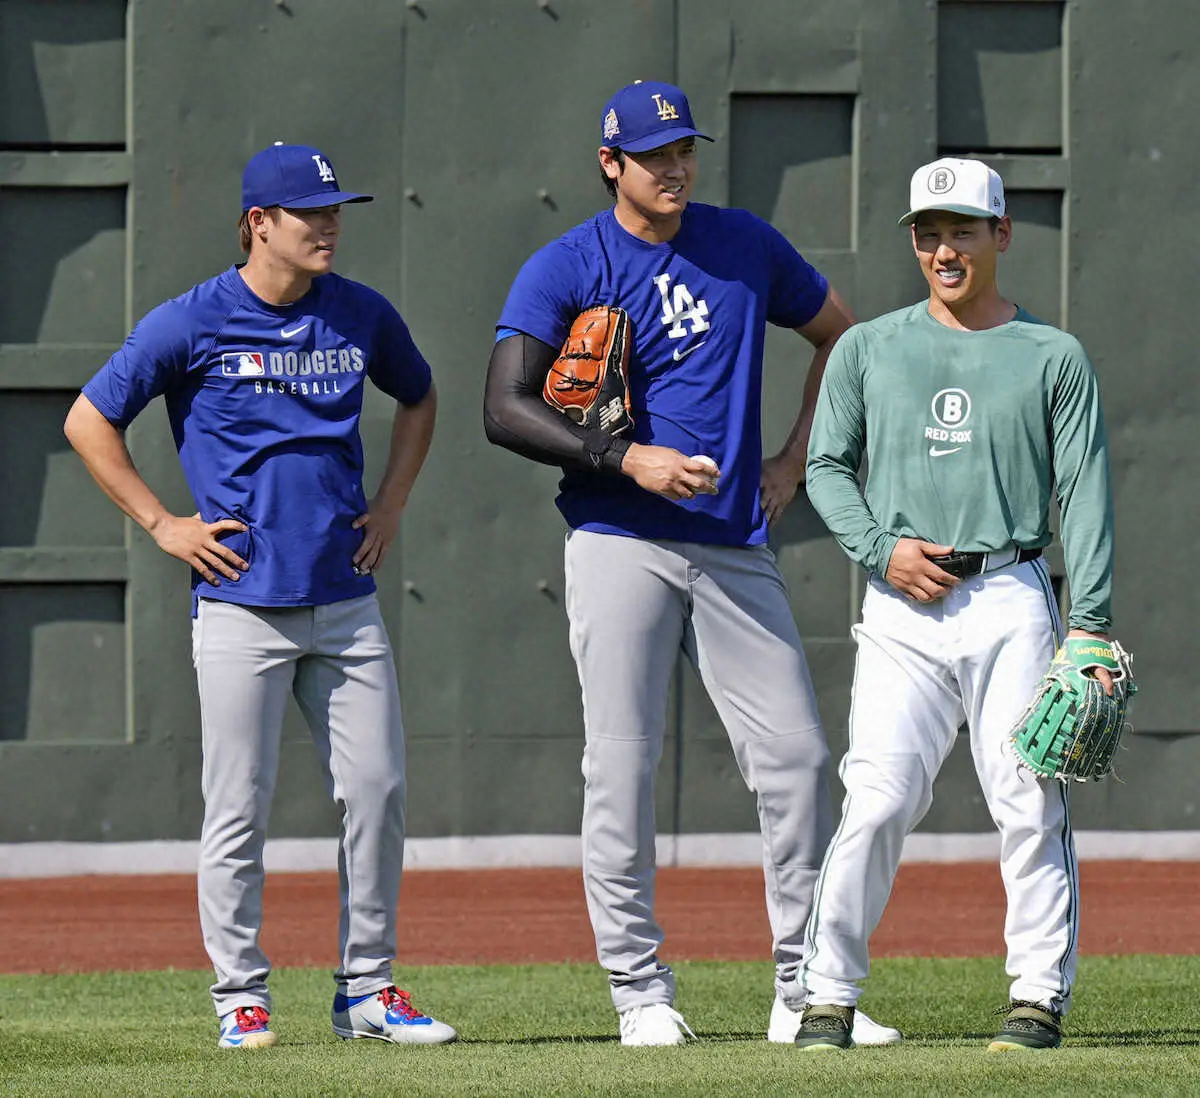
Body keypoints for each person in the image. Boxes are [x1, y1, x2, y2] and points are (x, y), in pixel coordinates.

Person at [484, 80, 899, 1048]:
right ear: (610, 163)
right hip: (619, 538)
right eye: (654, 155)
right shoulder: (568, 264)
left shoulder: (743, 244)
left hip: (732, 544)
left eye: (684, 150)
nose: (674, 168)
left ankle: (806, 990)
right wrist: (627, 457)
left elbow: (845, 339)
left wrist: (798, 459)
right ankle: (640, 993)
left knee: (796, 761)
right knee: (621, 767)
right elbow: (504, 408)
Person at [64, 143, 455, 1049]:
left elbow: (421, 397)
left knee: (378, 791)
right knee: (238, 807)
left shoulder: (361, 313)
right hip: (241, 602)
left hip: (345, 600)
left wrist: (392, 503)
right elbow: (88, 419)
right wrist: (163, 524)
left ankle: (368, 990)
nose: (329, 225)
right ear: (259, 224)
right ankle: (240, 996)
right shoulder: (192, 320)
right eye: (310, 212)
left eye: (335, 210)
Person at [795, 157, 1116, 1052]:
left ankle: (1036, 998)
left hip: (1010, 591)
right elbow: (826, 468)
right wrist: (880, 549)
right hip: (902, 601)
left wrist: (1089, 624)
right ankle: (827, 997)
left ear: (1000, 234)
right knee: (876, 797)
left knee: (1028, 798)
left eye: (962, 231)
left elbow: (1084, 492)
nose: (943, 250)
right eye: (928, 233)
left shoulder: (1053, 355)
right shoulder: (868, 347)